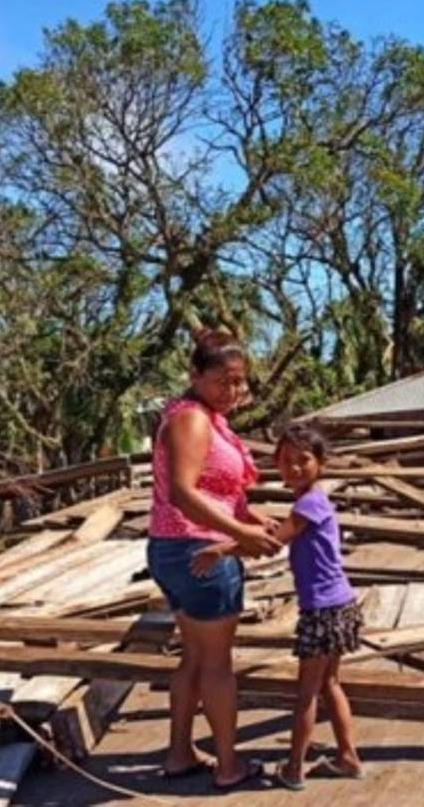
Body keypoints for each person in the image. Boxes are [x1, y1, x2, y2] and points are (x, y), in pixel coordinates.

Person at [193, 421, 364, 791]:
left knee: (306, 694)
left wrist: (221, 550)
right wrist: (256, 527)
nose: (294, 467)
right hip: (340, 603)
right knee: (330, 683)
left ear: (321, 462)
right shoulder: (308, 502)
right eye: (286, 461)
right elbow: (281, 533)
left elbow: (273, 544)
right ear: (276, 464)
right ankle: (347, 756)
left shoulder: (310, 502)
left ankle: (294, 769)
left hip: (323, 610)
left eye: (303, 460)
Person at [145, 329, 282, 790]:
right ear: (195, 375)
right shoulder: (191, 421)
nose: (233, 390)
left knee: (194, 657)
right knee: (217, 665)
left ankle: (179, 754)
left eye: (239, 381)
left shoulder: (203, 418)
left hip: (176, 549)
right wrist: (240, 534)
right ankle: (228, 765)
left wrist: (252, 517)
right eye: (222, 380)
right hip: (199, 551)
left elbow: (214, 490)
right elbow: (184, 494)